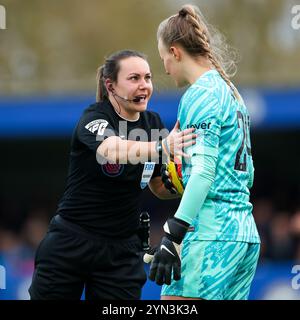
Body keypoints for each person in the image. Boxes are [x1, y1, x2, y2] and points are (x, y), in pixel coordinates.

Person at [28, 49, 196, 300]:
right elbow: (112, 149)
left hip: (121, 253)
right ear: (110, 85)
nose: (144, 86)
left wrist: (191, 181)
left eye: (147, 78)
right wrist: (161, 147)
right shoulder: (94, 117)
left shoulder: (153, 123)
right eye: (134, 78)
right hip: (70, 243)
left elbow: (159, 186)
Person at [148, 4, 261, 300]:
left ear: (175, 52)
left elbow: (204, 171)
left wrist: (173, 234)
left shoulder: (200, 94)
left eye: (163, 59)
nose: (164, 68)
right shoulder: (230, 91)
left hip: (212, 234)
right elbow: (245, 173)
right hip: (243, 233)